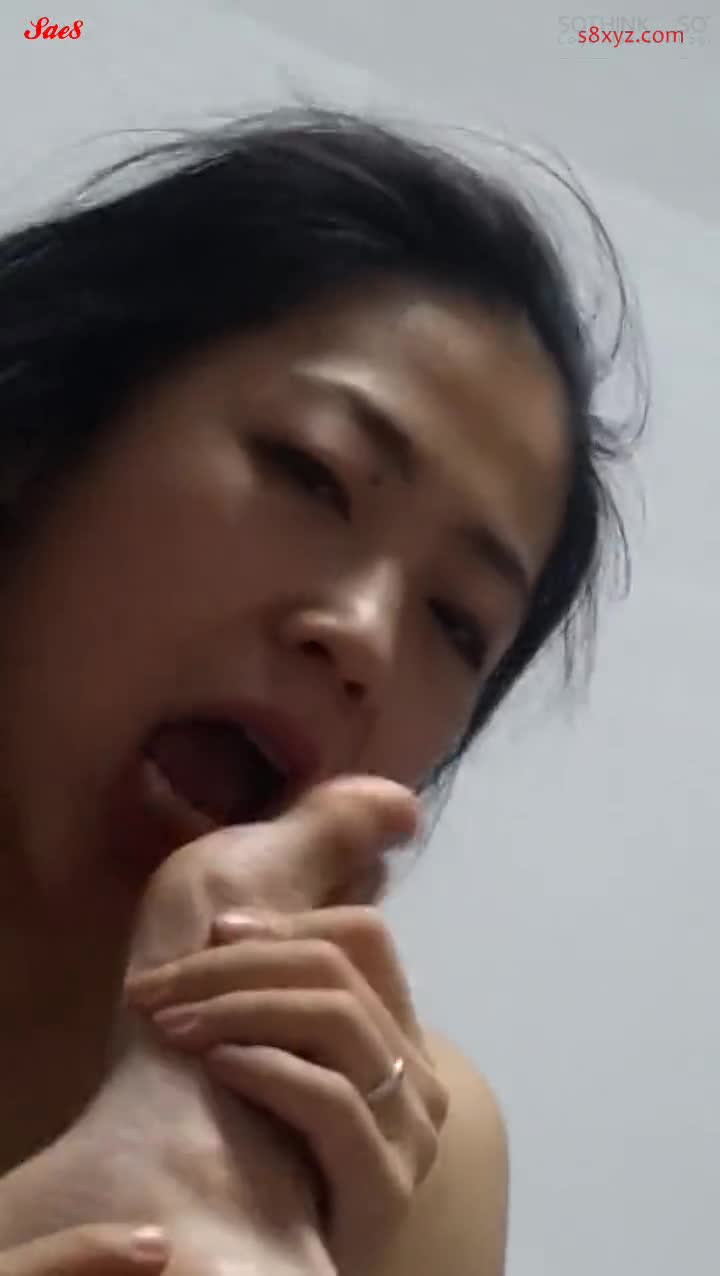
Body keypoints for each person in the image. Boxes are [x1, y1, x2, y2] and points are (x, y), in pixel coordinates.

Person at [0, 107, 644, 1275]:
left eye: (457, 621)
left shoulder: (400, 1152)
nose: (363, 636)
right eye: (312, 473)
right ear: (38, 440)